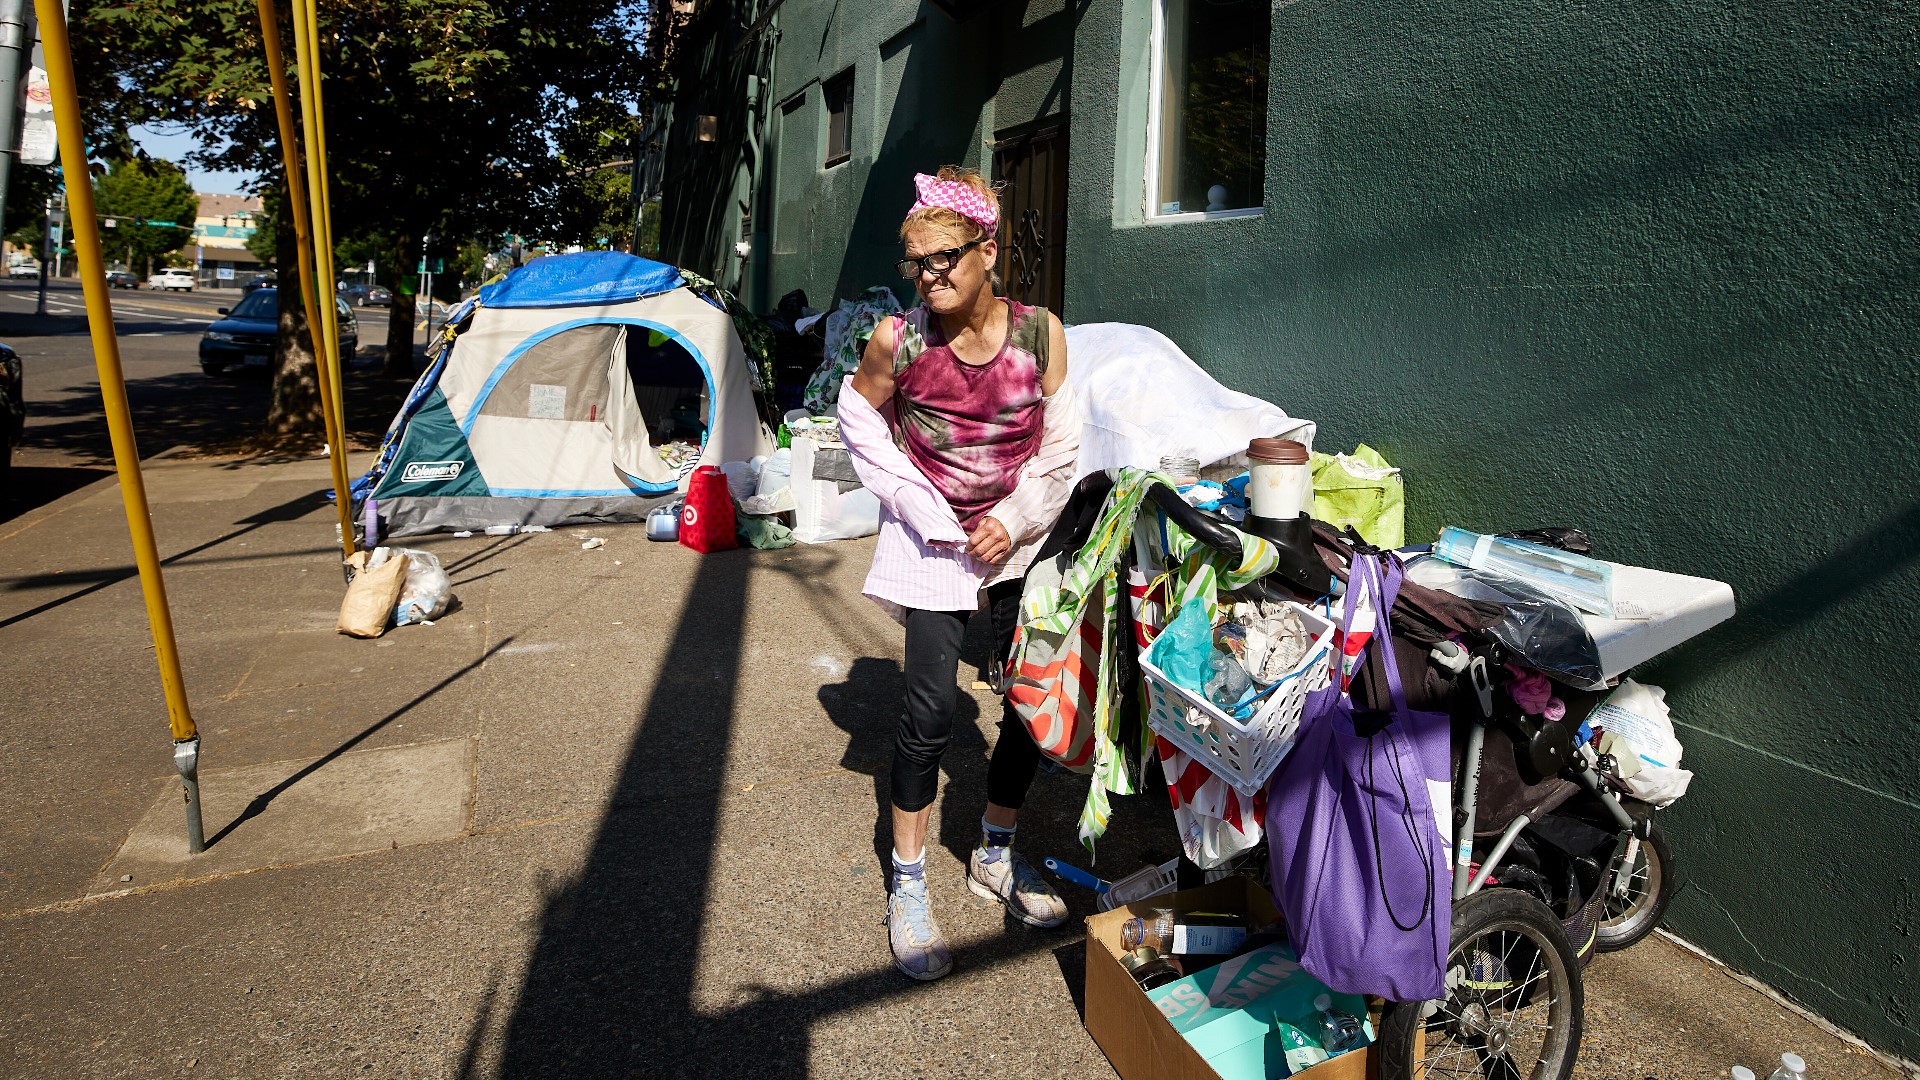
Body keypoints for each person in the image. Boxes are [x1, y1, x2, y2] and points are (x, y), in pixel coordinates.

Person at [837, 166, 1081, 981]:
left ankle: (997, 853)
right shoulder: (896, 341)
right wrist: (915, 501)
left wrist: (1012, 521)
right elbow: (856, 416)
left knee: (1028, 704)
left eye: (946, 258)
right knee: (930, 709)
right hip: (933, 542)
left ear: (989, 249)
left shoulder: (1039, 335)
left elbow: (1061, 446)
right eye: (918, 262)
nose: (931, 276)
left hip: (1018, 535)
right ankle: (907, 883)